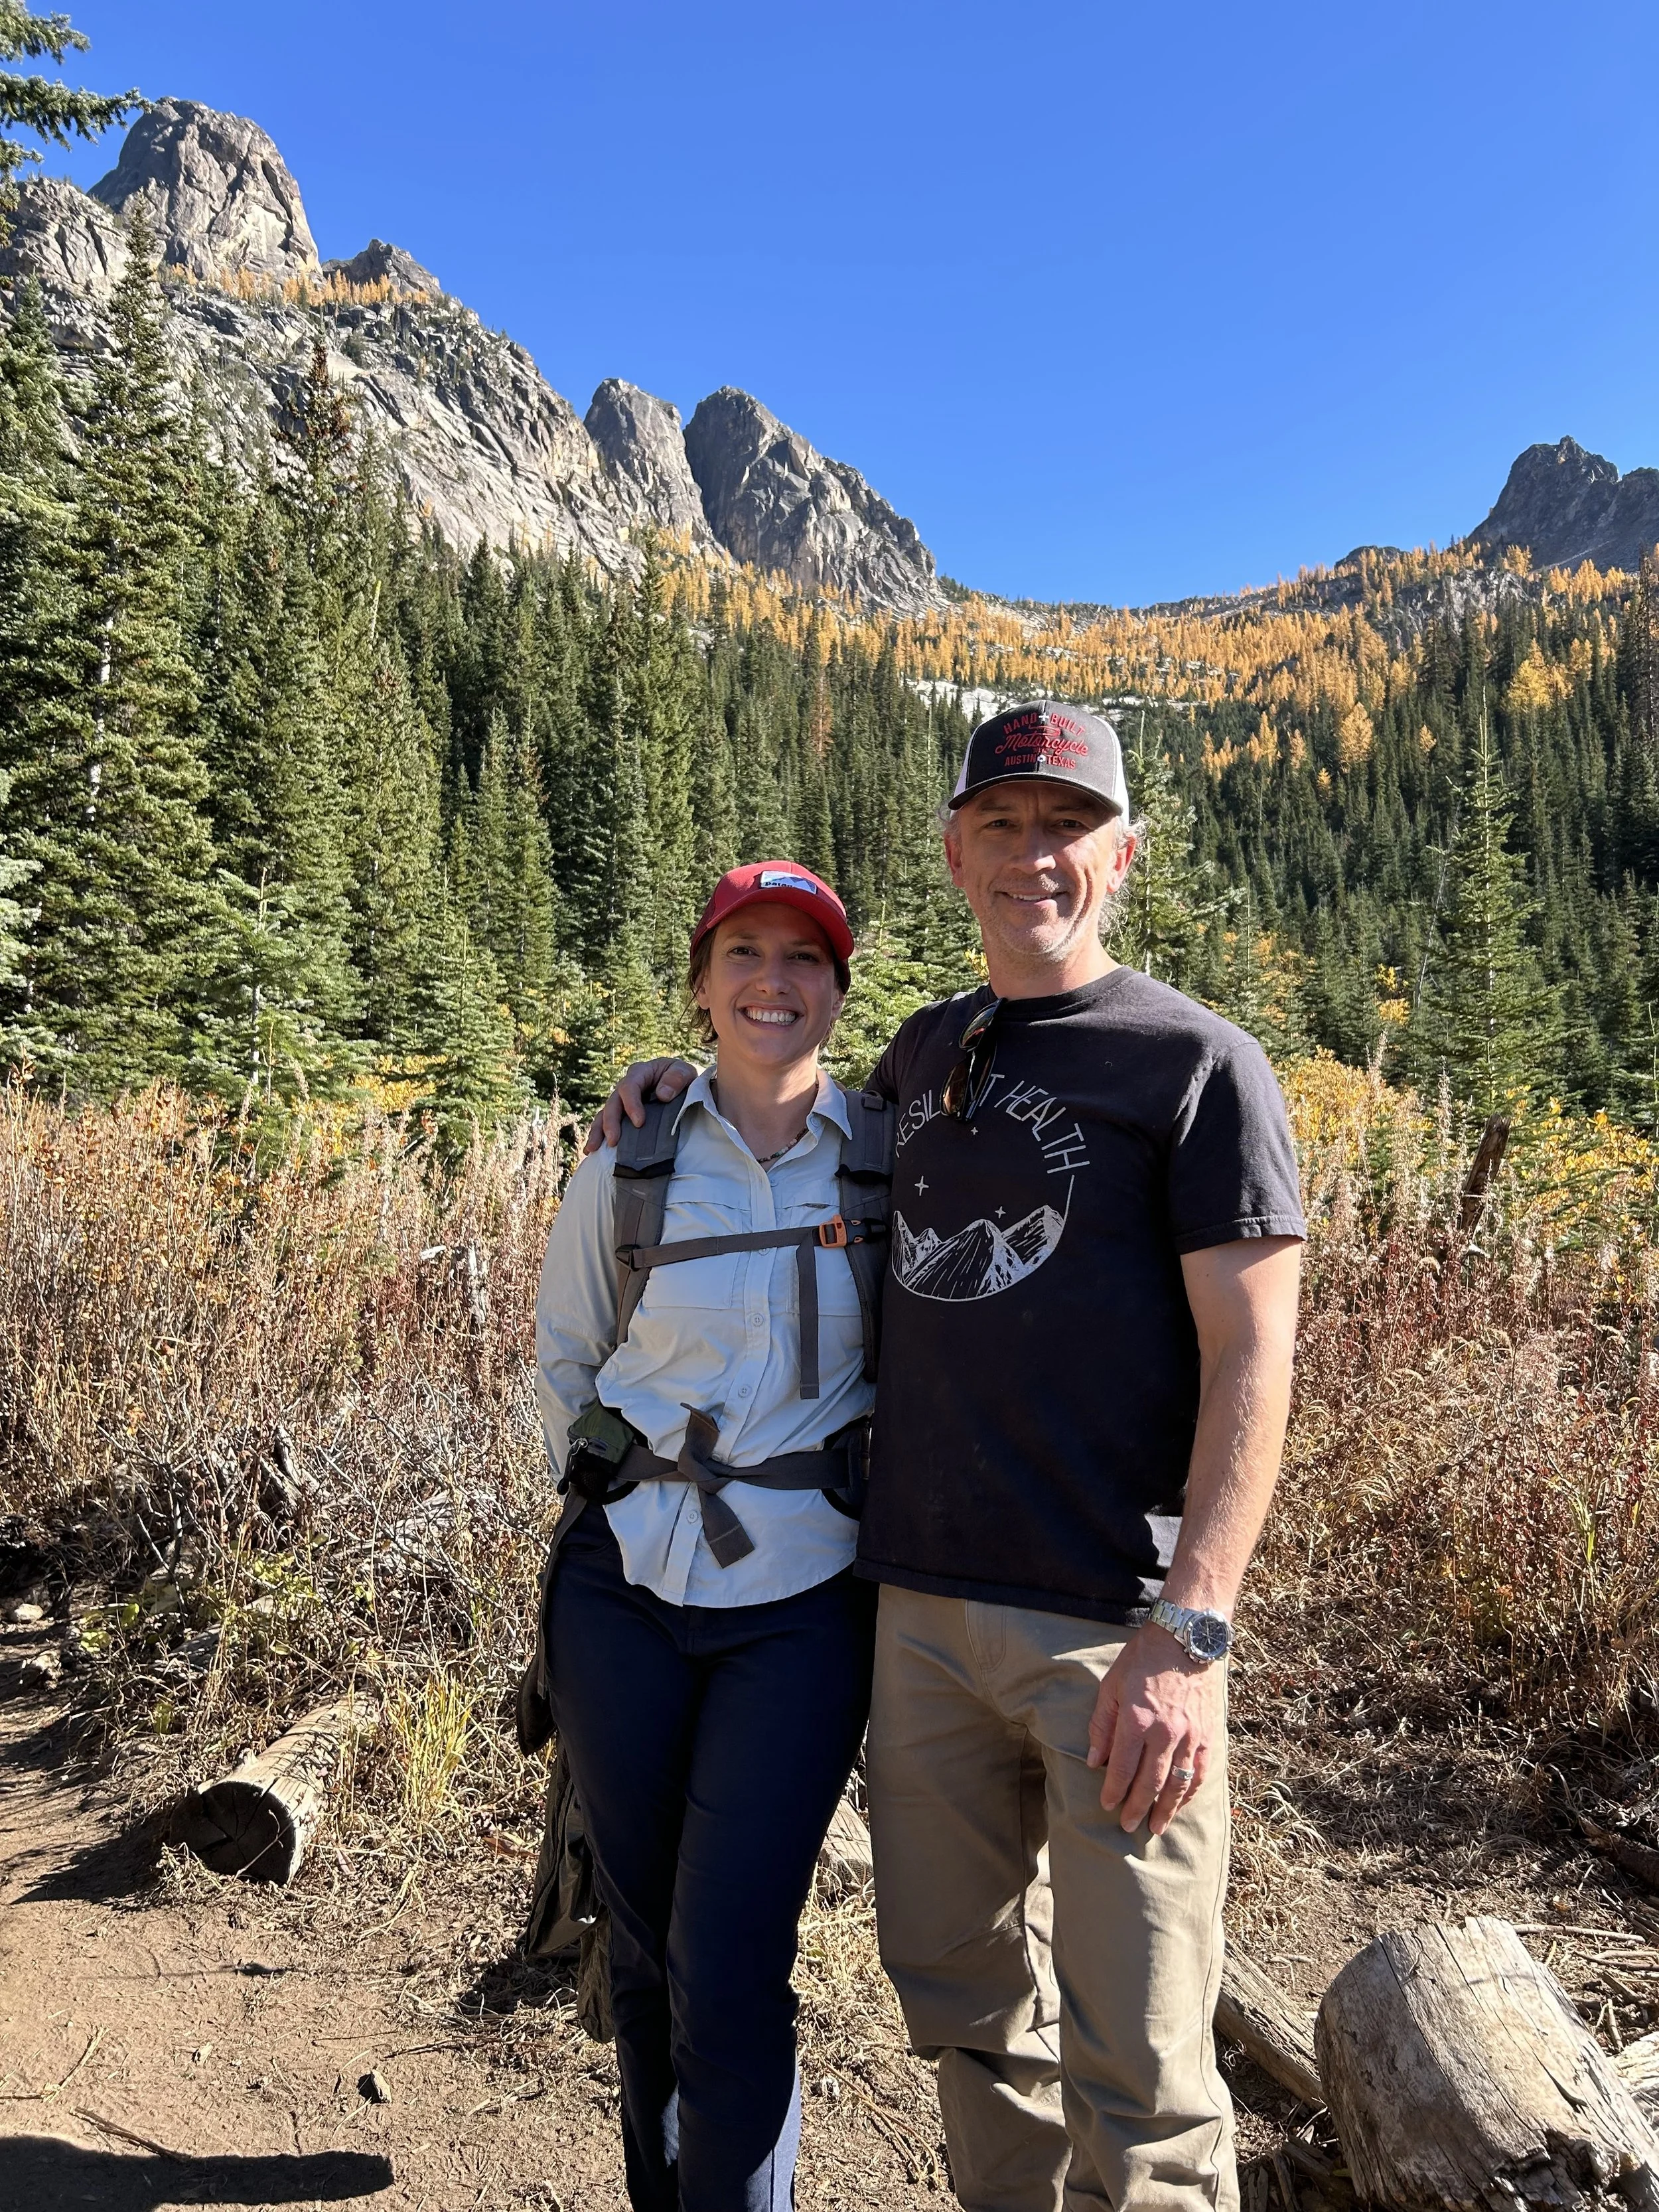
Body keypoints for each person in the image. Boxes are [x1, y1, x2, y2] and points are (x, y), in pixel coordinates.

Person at [594, 701, 1306, 2212]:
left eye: (1065, 827)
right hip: (910, 1620)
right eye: (1001, 826)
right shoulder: (923, 1056)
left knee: (1145, 2075)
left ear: (1121, 854)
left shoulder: (1196, 1065)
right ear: (954, 852)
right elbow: (772, 1088)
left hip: (1111, 1629)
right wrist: (668, 1071)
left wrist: (1189, 1628)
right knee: (970, 2015)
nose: (1031, 856)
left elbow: (1255, 1357)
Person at [533, 859, 889, 2212]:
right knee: (640, 1949)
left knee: (729, 1956)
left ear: (838, 993)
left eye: (804, 958)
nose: (772, 982)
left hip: (800, 1604)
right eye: (743, 952)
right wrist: (596, 1499)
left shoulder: (883, 1161)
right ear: (699, 985)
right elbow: (562, 1359)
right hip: (620, 1592)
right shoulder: (633, 1161)